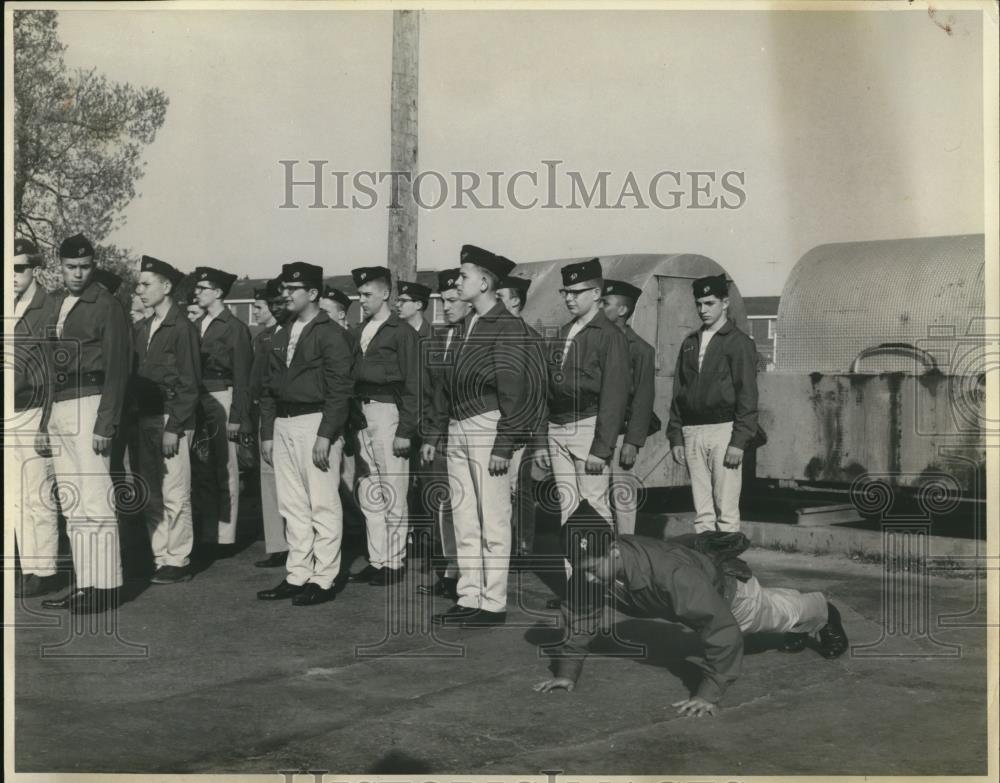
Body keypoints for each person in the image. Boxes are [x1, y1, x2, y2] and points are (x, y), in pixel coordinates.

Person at [533, 529, 849, 716]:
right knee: (772, 606)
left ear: (614, 550)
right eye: (580, 567)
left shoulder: (670, 573)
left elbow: (721, 629)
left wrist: (707, 694)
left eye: (591, 567)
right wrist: (567, 672)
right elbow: (580, 617)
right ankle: (798, 612)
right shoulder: (594, 565)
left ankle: (822, 609)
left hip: (729, 598)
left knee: (773, 616)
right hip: (694, 589)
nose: (586, 576)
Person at [428, 245, 537, 628]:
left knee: (492, 518)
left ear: (485, 282)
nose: (457, 283)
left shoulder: (507, 326)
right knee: (464, 517)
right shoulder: (466, 325)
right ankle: (469, 594)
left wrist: (503, 445)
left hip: (487, 427)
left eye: (463, 276)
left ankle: (493, 602)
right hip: (460, 427)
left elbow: (514, 392)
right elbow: (447, 383)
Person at [257, 262, 356, 606]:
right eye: (283, 289)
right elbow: (269, 387)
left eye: (292, 290)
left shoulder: (330, 333)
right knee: (292, 505)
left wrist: (326, 435)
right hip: (284, 424)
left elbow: (340, 389)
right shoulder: (282, 332)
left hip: (315, 423)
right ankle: (297, 573)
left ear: (312, 294)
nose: (284, 295)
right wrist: (267, 433)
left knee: (323, 504)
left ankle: (324, 578)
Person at [41, 233, 130, 614]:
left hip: (90, 405)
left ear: (93, 266)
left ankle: (107, 585)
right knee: (73, 504)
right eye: (70, 267)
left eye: (85, 267)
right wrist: (46, 422)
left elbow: (118, 368)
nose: (78, 274)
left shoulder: (105, 304)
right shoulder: (60, 304)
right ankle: (86, 582)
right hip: (61, 407)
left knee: (95, 499)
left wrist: (105, 423)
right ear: (59, 266)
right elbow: (49, 369)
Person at [537, 258, 630, 537]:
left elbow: (615, 397)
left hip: (588, 428)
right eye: (565, 292)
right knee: (567, 508)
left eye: (576, 292)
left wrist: (602, 448)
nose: (569, 298)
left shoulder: (610, 336)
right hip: (558, 428)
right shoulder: (565, 332)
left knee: (594, 506)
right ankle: (575, 579)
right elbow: (546, 390)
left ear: (596, 294)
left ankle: (601, 580)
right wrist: (542, 439)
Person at [667, 274, 759, 533]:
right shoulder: (690, 342)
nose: (703, 310)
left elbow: (747, 395)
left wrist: (738, 441)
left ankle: (728, 569)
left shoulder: (738, 342)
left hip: (723, 430)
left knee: (726, 510)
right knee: (702, 513)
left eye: (709, 303)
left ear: (725, 303)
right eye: (699, 304)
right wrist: (675, 435)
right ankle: (706, 569)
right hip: (692, 432)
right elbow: (679, 391)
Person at [131, 256, 201, 584]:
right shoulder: (143, 327)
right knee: (151, 492)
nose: (139, 290)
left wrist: (175, 427)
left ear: (166, 286)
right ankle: (159, 555)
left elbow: (189, 382)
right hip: (144, 418)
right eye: (139, 284)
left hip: (171, 420)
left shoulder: (181, 327)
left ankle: (178, 558)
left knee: (175, 492)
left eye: (146, 284)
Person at [348, 266, 420, 586]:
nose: (360, 300)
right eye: (359, 294)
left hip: (388, 413)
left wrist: (406, 430)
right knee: (369, 490)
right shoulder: (358, 330)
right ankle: (377, 559)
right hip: (361, 413)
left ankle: (394, 561)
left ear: (385, 294)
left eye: (366, 294)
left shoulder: (401, 332)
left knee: (392, 489)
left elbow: (414, 385)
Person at [191, 266, 253, 555]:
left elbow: (243, 376)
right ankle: (207, 533)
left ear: (218, 292)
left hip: (223, 397)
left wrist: (238, 417)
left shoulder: (234, 327)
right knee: (202, 468)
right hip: (198, 400)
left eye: (203, 288)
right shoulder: (196, 324)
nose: (197, 292)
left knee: (226, 468)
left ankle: (226, 537)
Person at [11, 238, 60, 598]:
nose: (12, 275)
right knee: (14, 497)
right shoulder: (8, 304)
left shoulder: (49, 308)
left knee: (38, 493)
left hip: (32, 411)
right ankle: (26, 566)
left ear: (35, 270)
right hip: (8, 412)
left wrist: (46, 421)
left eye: (19, 268)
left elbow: (54, 370)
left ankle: (44, 568)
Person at [416, 269, 468, 601]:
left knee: (467, 509)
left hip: (467, 433)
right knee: (445, 507)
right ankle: (451, 571)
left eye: (452, 300)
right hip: (443, 434)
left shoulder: (473, 336)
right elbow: (435, 392)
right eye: (443, 300)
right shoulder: (440, 337)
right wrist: (431, 437)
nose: (446, 307)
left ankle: (468, 577)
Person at [601, 280, 657, 536]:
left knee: (622, 497)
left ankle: (625, 551)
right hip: (594, 431)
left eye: (606, 303)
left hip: (622, 434)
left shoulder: (641, 350)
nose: (600, 307)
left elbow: (643, 398)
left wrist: (633, 442)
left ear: (623, 310)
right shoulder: (594, 340)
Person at [497, 273, 546, 564]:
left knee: (520, 491)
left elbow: (538, 393)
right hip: (495, 427)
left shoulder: (532, 339)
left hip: (521, 431)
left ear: (515, 301)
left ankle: (522, 546)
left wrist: (537, 438)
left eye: (500, 297)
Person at [249, 277, 290, 569]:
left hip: (295, 415)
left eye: (278, 302)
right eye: (272, 303)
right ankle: (278, 545)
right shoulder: (263, 338)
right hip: (270, 415)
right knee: (270, 480)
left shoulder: (294, 332)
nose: (276, 308)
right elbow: (259, 383)